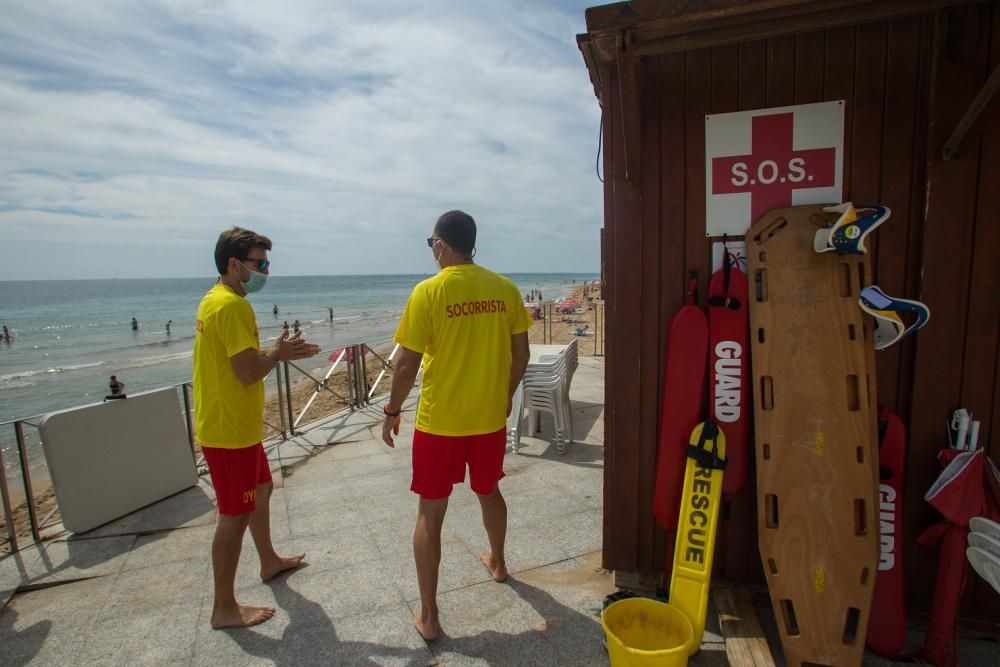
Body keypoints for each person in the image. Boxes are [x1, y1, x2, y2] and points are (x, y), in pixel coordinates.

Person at [381, 210, 530, 641]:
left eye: (431, 245)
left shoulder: (428, 292)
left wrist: (391, 412)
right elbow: (520, 354)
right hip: (487, 419)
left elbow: (406, 364)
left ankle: (429, 616)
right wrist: (504, 394)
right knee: (489, 491)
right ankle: (499, 563)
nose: (432, 252)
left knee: (431, 511)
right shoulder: (505, 288)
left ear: (442, 245)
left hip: (440, 423)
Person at [193, 227, 321, 629]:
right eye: (260, 264)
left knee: (262, 489)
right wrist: (278, 355)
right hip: (228, 431)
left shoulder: (217, 300)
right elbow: (248, 372)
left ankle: (268, 560)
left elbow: (241, 361)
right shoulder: (231, 306)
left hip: (238, 427)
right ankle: (223, 607)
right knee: (233, 514)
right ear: (235, 265)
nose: (266, 271)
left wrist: (275, 352)